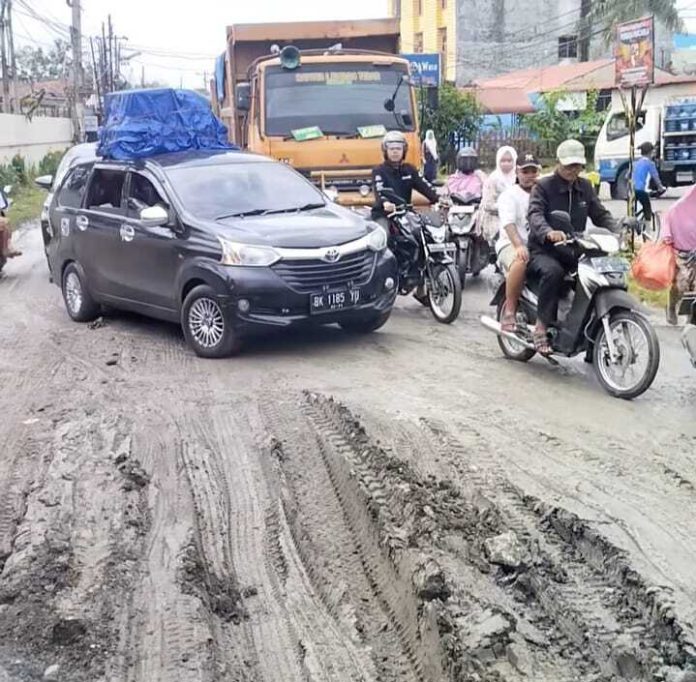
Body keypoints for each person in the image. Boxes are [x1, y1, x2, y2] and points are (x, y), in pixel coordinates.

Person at [527, 139, 621, 354]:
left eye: (577, 165)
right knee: (554, 272)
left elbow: (600, 214)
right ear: (559, 163)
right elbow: (535, 214)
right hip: (544, 250)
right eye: (569, 165)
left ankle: (590, 334)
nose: (573, 170)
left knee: (597, 276)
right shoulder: (543, 186)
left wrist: (617, 229)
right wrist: (548, 232)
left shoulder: (585, 187)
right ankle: (541, 327)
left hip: (574, 249)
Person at [496, 153, 542, 331]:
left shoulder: (543, 192)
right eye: (525, 171)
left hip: (539, 244)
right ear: (518, 172)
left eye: (533, 171)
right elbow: (508, 224)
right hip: (510, 243)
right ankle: (510, 310)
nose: (530, 175)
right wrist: (519, 245)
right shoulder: (509, 195)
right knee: (520, 261)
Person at [371, 130, 440, 231]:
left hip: (405, 213)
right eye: (392, 149)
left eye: (398, 149)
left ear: (404, 151)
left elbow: (425, 187)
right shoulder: (379, 171)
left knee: (426, 232)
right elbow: (379, 191)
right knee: (383, 235)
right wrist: (385, 203)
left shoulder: (410, 170)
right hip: (384, 214)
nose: (395, 152)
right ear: (386, 151)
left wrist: (440, 199)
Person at [661, 184, 696, 325]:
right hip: (681, 252)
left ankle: (691, 319)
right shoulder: (678, 208)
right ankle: (671, 307)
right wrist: (667, 236)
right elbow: (666, 219)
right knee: (681, 284)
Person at [480, 146, 518, 242]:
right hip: (496, 218)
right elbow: (487, 204)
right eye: (503, 161)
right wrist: (506, 206)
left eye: (510, 161)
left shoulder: (518, 178)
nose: (506, 164)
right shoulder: (492, 179)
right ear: (498, 161)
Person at [633, 141, 665, 225]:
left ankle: (634, 222)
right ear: (650, 152)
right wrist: (661, 188)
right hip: (642, 190)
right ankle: (647, 231)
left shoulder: (635, 163)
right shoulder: (650, 164)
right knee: (648, 210)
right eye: (653, 151)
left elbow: (627, 176)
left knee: (634, 210)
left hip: (631, 190)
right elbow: (656, 178)